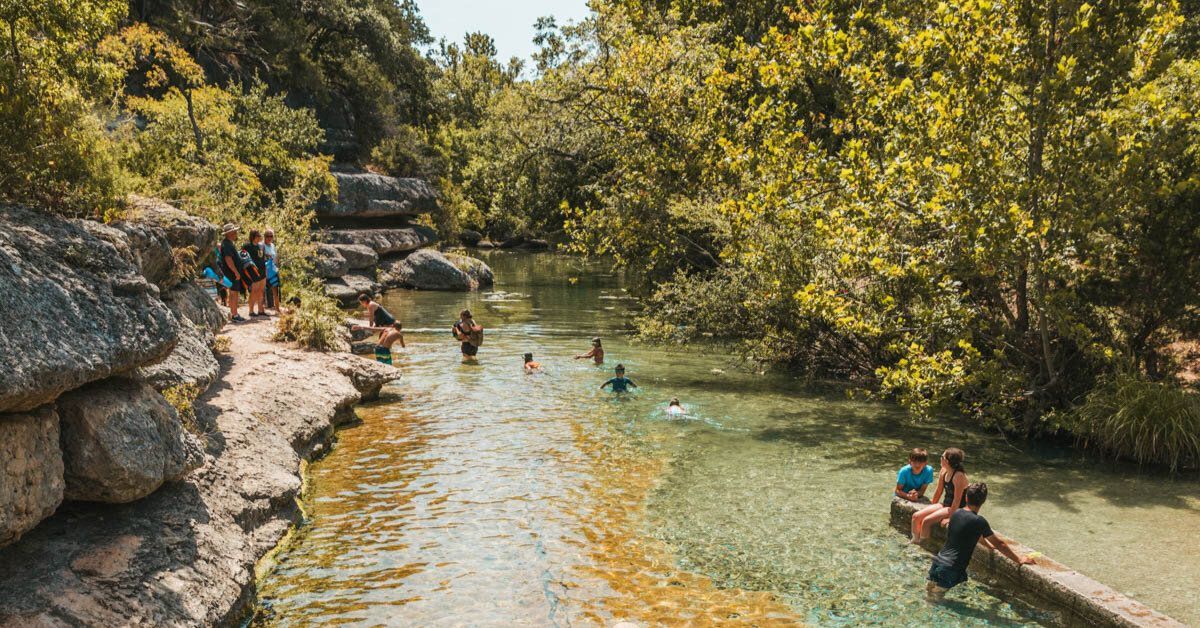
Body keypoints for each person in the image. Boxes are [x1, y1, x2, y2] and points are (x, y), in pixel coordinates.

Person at [926, 482, 1035, 600]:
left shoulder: (956, 513)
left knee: (929, 592)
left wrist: (987, 545)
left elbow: (972, 534)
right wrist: (1019, 559)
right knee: (935, 598)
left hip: (938, 561)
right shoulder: (979, 521)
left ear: (966, 497)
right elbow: (1000, 544)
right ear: (983, 501)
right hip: (952, 568)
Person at [911, 448, 968, 544]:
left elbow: (957, 501)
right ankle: (915, 540)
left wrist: (950, 518)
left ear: (947, 461)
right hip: (946, 504)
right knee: (916, 516)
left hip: (956, 508)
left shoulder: (959, 476)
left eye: (942, 457)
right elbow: (938, 491)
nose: (940, 458)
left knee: (926, 521)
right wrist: (932, 506)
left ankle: (924, 545)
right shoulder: (943, 471)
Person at [219, 224, 246, 322]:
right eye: (234, 231)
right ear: (229, 233)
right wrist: (235, 272)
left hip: (232, 273)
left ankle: (234, 313)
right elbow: (228, 259)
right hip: (231, 273)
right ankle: (234, 315)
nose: (236, 233)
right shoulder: (226, 244)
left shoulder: (228, 243)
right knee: (233, 293)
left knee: (234, 292)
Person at [242, 230, 268, 317]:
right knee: (254, 291)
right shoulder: (247, 246)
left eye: (259, 235)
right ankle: (251, 311)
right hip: (253, 271)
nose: (259, 237)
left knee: (261, 290)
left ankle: (261, 310)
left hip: (262, 271)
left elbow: (263, 258)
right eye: (257, 235)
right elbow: (243, 257)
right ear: (253, 236)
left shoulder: (261, 246)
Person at [264, 229, 281, 311]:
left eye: (271, 236)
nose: (269, 237)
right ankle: (264, 308)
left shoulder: (273, 246)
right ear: (264, 236)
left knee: (275, 289)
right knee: (265, 289)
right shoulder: (262, 245)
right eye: (267, 236)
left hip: (274, 270)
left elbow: (276, 257)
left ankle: (277, 308)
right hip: (266, 270)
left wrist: (277, 267)